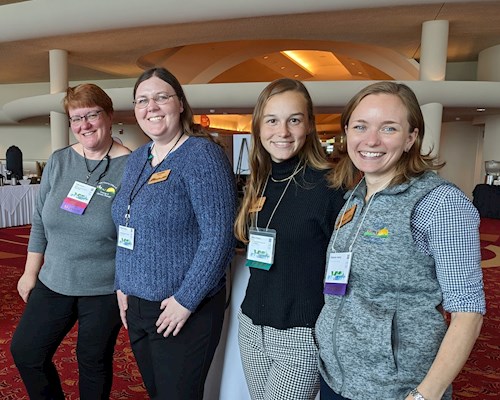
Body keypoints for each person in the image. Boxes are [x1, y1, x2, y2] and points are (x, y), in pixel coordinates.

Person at [316, 81, 486, 400]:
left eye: (389, 128)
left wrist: (426, 394)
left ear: (411, 138)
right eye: (360, 126)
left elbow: (468, 311)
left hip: (396, 391)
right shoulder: (355, 196)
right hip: (337, 379)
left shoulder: (441, 204)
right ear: (347, 132)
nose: (371, 140)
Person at [111, 67, 236, 400]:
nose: (151, 106)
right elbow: (126, 223)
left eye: (161, 97)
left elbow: (219, 237)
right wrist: (122, 285)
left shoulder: (202, 155)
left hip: (181, 309)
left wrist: (185, 300)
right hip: (136, 306)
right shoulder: (138, 158)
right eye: (142, 100)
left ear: (180, 103)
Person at [10, 83, 131, 399]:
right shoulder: (59, 161)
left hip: (104, 287)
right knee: (26, 352)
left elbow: (135, 235)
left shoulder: (131, 167)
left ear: (108, 115)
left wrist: (128, 286)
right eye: (76, 119)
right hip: (55, 279)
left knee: (92, 362)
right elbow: (40, 221)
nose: (84, 125)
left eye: (92, 115)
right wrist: (29, 272)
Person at [234, 78, 345, 400]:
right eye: (272, 120)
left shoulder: (329, 186)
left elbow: (345, 269)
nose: (282, 132)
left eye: (293, 120)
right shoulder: (261, 179)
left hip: (300, 332)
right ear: (258, 126)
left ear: (309, 125)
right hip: (252, 323)